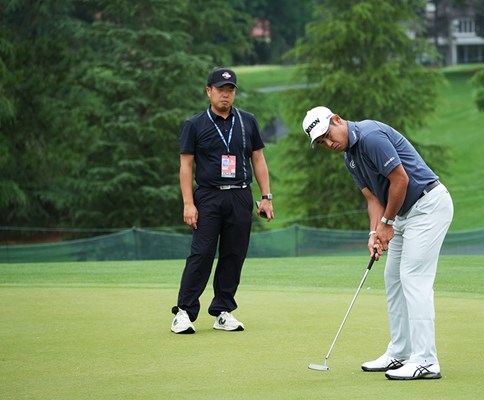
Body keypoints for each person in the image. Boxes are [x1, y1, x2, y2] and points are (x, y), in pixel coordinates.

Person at [302, 106, 453, 380]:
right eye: (322, 142)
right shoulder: (350, 158)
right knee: (393, 278)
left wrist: (387, 224)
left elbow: (400, 180)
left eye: (327, 134)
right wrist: (374, 234)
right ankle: (399, 353)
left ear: (337, 119)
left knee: (413, 278)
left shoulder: (370, 135)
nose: (329, 143)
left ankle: (426, 360)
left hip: (428, 206)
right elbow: (373, 199)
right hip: (404, 214)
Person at [171, 67, 274, 334]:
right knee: (202, 253)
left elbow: (258, 159)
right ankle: (184, 312)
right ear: (209, 91)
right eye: (220, 90)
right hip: (208, 196)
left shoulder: (247, 121)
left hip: (240, 194)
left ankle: (223, 311)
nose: (226, 95)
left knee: (233, 254)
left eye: (230, 90)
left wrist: (266, 197)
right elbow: (186, 166)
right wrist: (188, 203)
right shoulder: (194, 125)